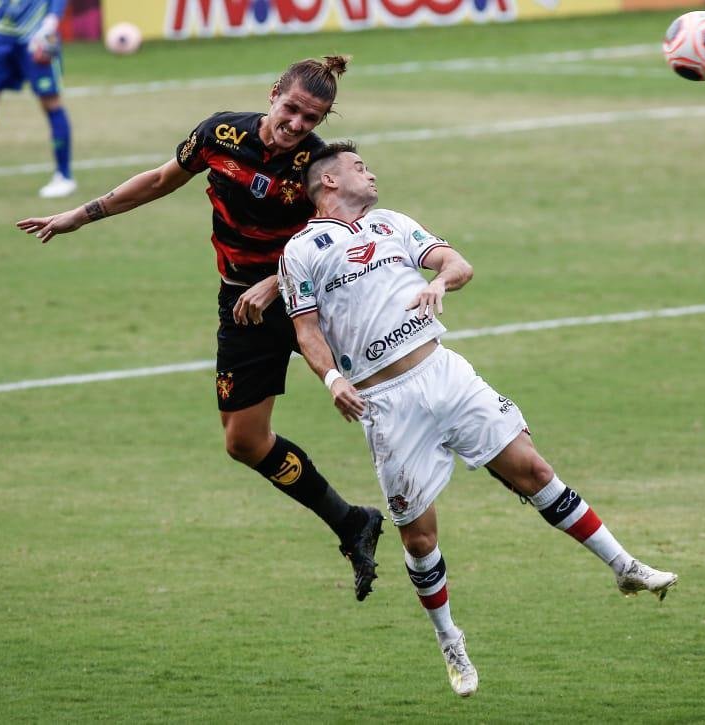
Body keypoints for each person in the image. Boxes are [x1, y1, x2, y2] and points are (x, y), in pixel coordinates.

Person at [279, 141, 678, 697]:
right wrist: (332, 380)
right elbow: (306, 331)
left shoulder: (392, 223)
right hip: (385, 403)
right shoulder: (301, 251)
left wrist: (438, 282)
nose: (370, 174)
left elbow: (458, 263)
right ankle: (450, 640)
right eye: (359, 167)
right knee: (419, 539)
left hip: (443, 373)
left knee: (534, 470)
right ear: (329, 181)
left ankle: (624, 566)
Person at [16, 57, 385, 600]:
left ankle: (446, 477)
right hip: (241, 301)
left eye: (311, 117)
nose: (297, 124)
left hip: (310, 297)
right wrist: (82, 214)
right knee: (244, 441)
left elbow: (344, 231)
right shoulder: (221, 134)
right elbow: (160, 180)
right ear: (273, 93)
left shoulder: (316, 163)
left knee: (389, 392)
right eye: (291, 109)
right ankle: (351, 521)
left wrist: (279, 281)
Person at [0, 0, 75, 197]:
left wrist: (52, 19)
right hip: (0, 33)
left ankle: (64, 177)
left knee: (50, 101)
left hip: (36, 34)